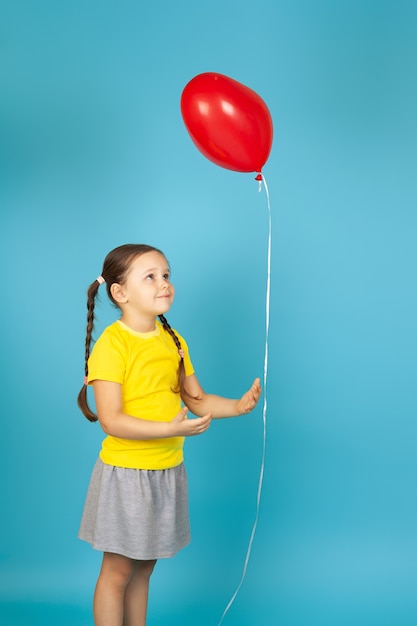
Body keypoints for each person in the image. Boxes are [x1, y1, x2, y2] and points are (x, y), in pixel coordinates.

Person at [77, 243, 261, 626]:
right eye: (151, 277)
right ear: (120, 292)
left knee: (144, 570)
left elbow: (197, 399)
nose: (164, 284)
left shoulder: (173, 341)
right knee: (117, 573)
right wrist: (169, 429)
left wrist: (238, 406)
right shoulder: (112, 345)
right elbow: (111, 420)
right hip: (126, 474)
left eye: (166, 275)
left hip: (167, 471)